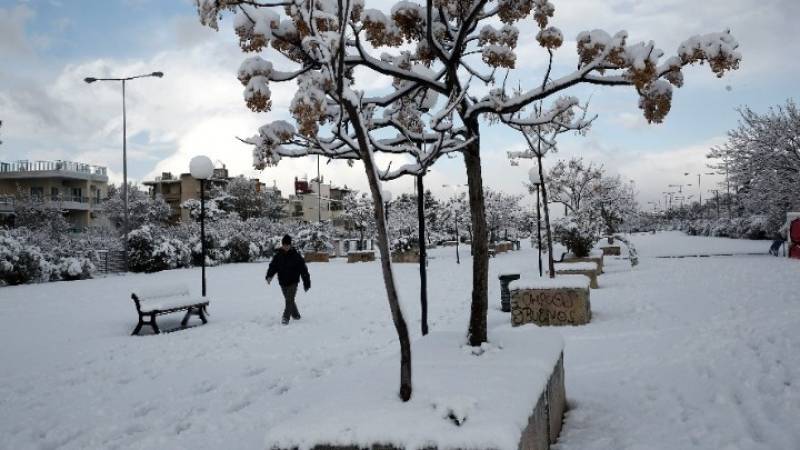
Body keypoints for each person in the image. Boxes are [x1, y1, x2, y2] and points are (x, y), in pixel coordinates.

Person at [266, 235, 311, 325]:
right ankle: (296, 315)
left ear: (290, 245)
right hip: (282, 282)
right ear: (282, 245)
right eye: (284, 245)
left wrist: (306, 282)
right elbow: (273, 266)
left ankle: (285, 318)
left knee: (289, 299)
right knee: (289, 299)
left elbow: (303, 270)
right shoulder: (278, 256)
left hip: (293, 281)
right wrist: (269, 276)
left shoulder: (296, 256)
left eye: (287, 245)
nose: (286, 246)